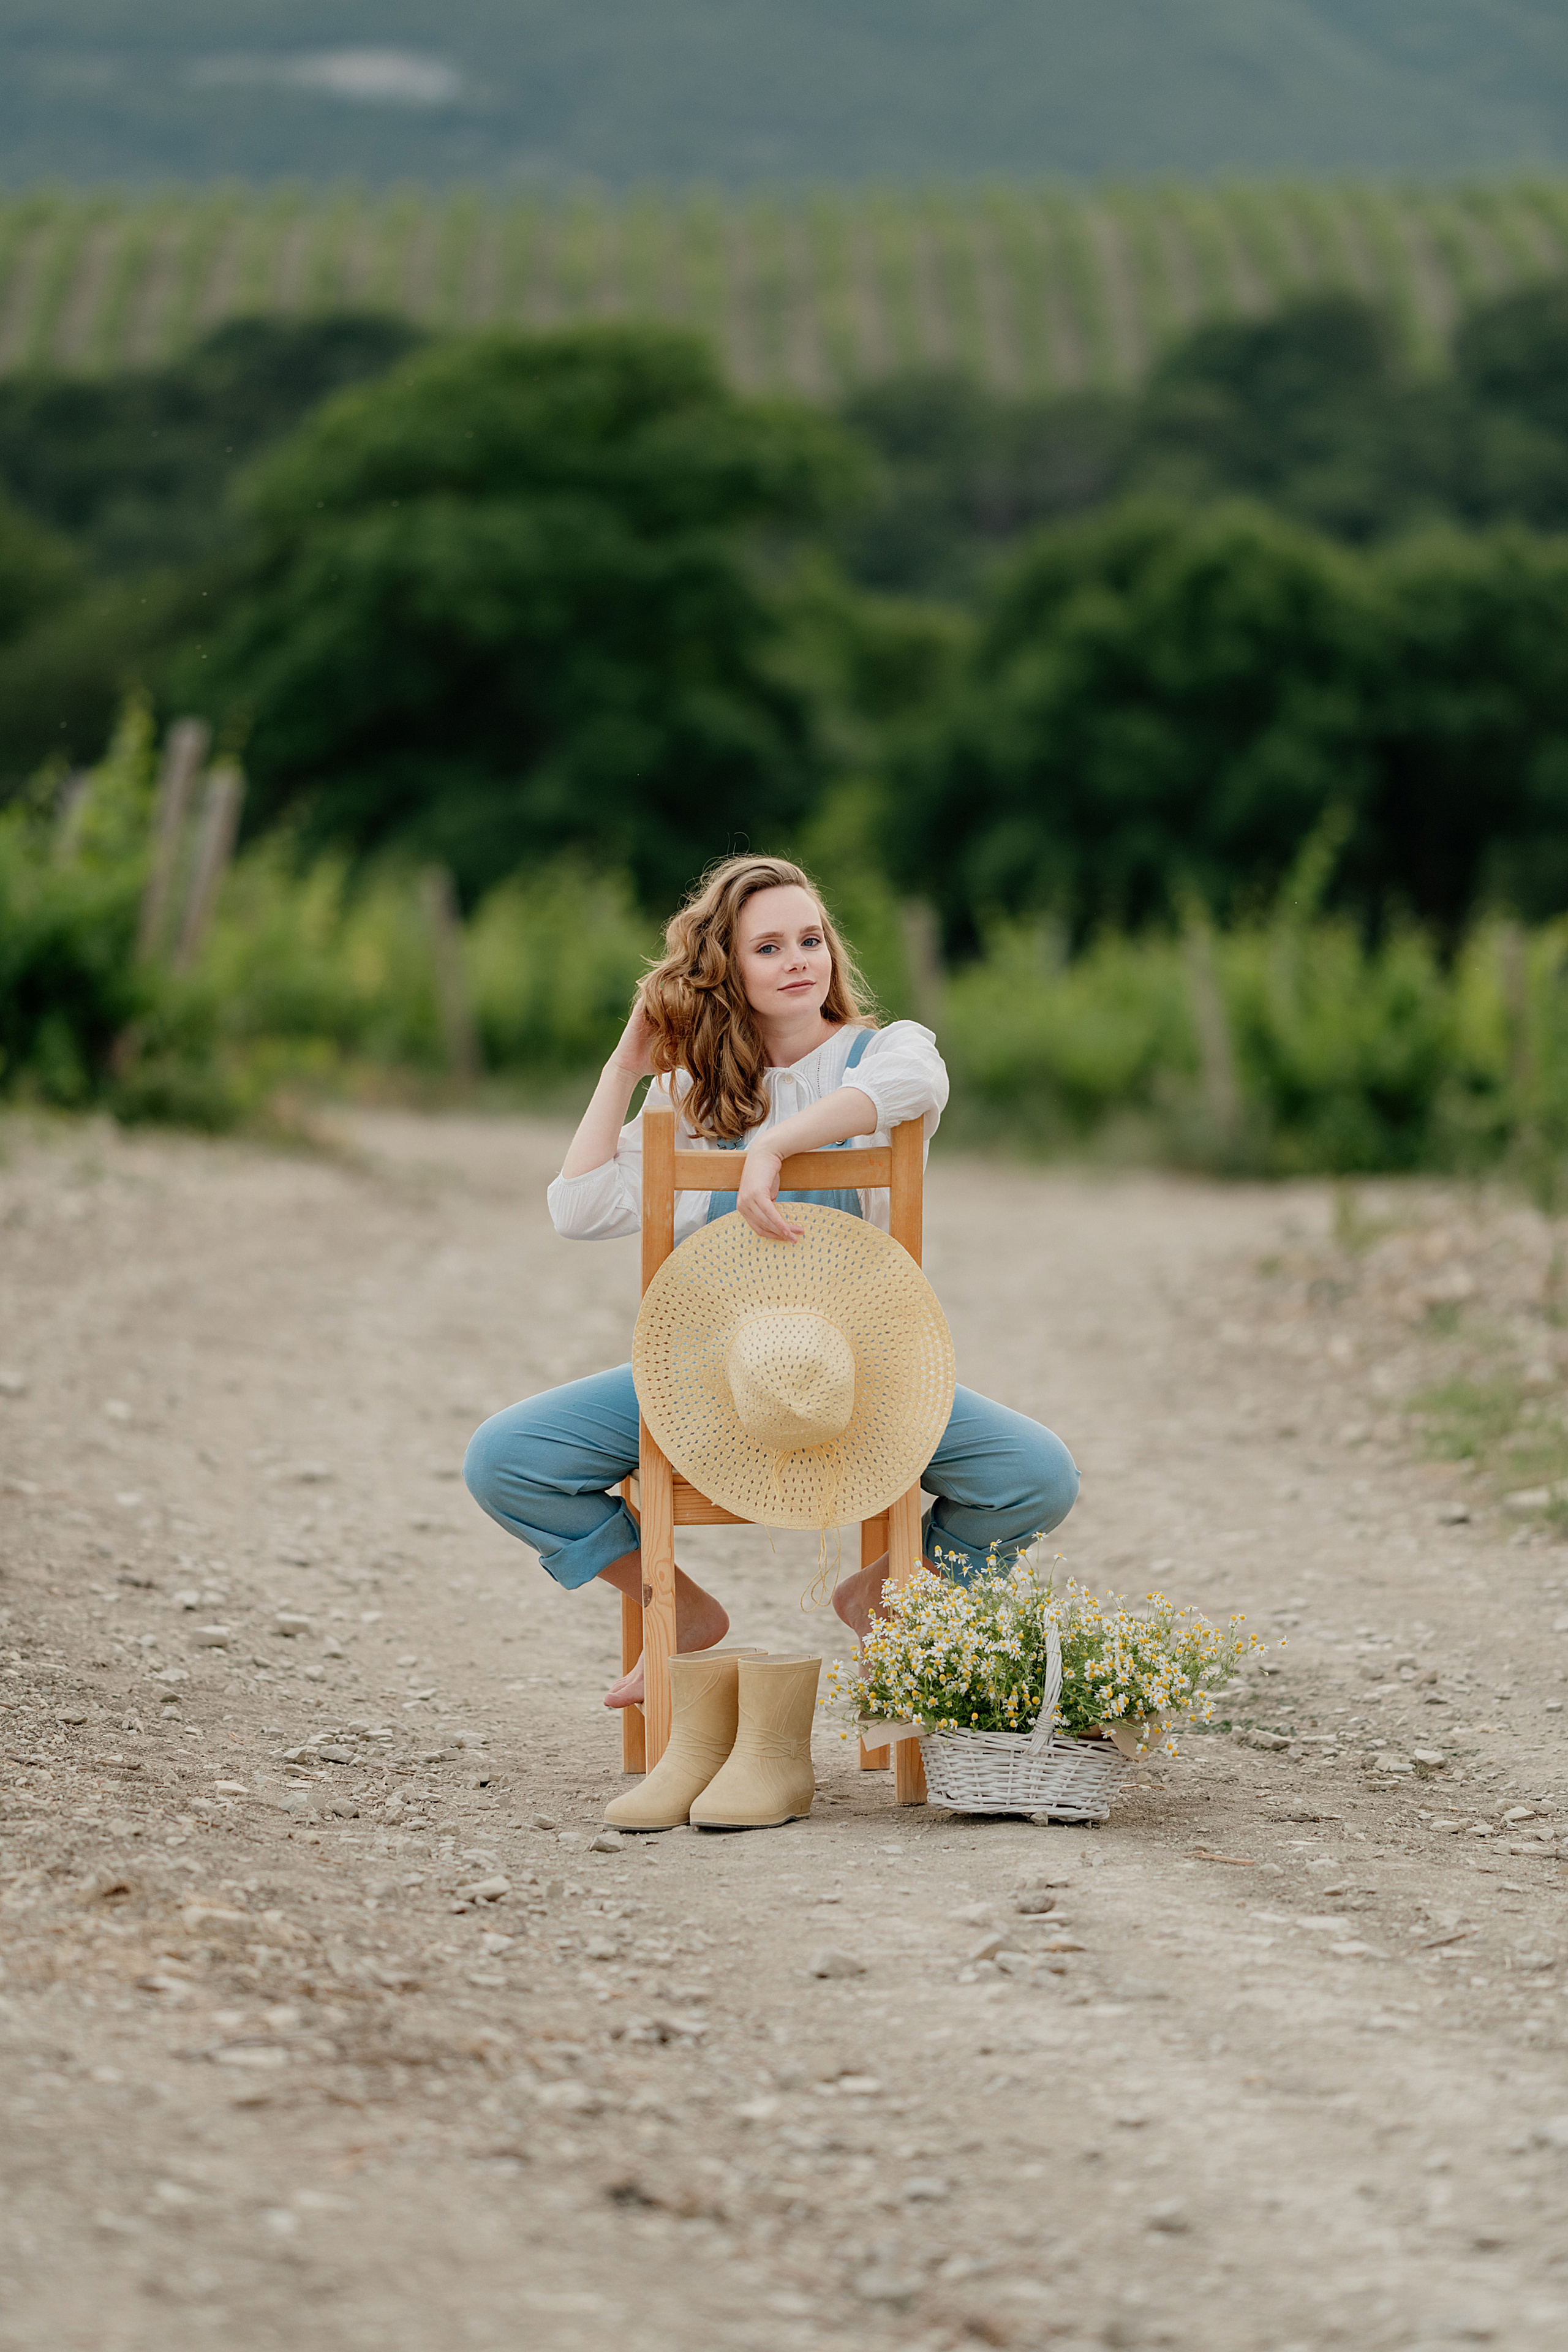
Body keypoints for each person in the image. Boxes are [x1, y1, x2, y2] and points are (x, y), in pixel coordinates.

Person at [462, 854, 1079, 1708]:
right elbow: (577, 1208)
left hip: (858, 1382)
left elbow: (915, 1083)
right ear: (727, 970)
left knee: (1038, 1474)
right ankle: (672, 1611)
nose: (799, 960)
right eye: (769, 947)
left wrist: (773, 1146)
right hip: (709, 1383)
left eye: (811, 939)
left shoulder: (884, 1054)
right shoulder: (692, 1095)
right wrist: (623, 1071)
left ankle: (890, 1598)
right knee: (506, 1458)